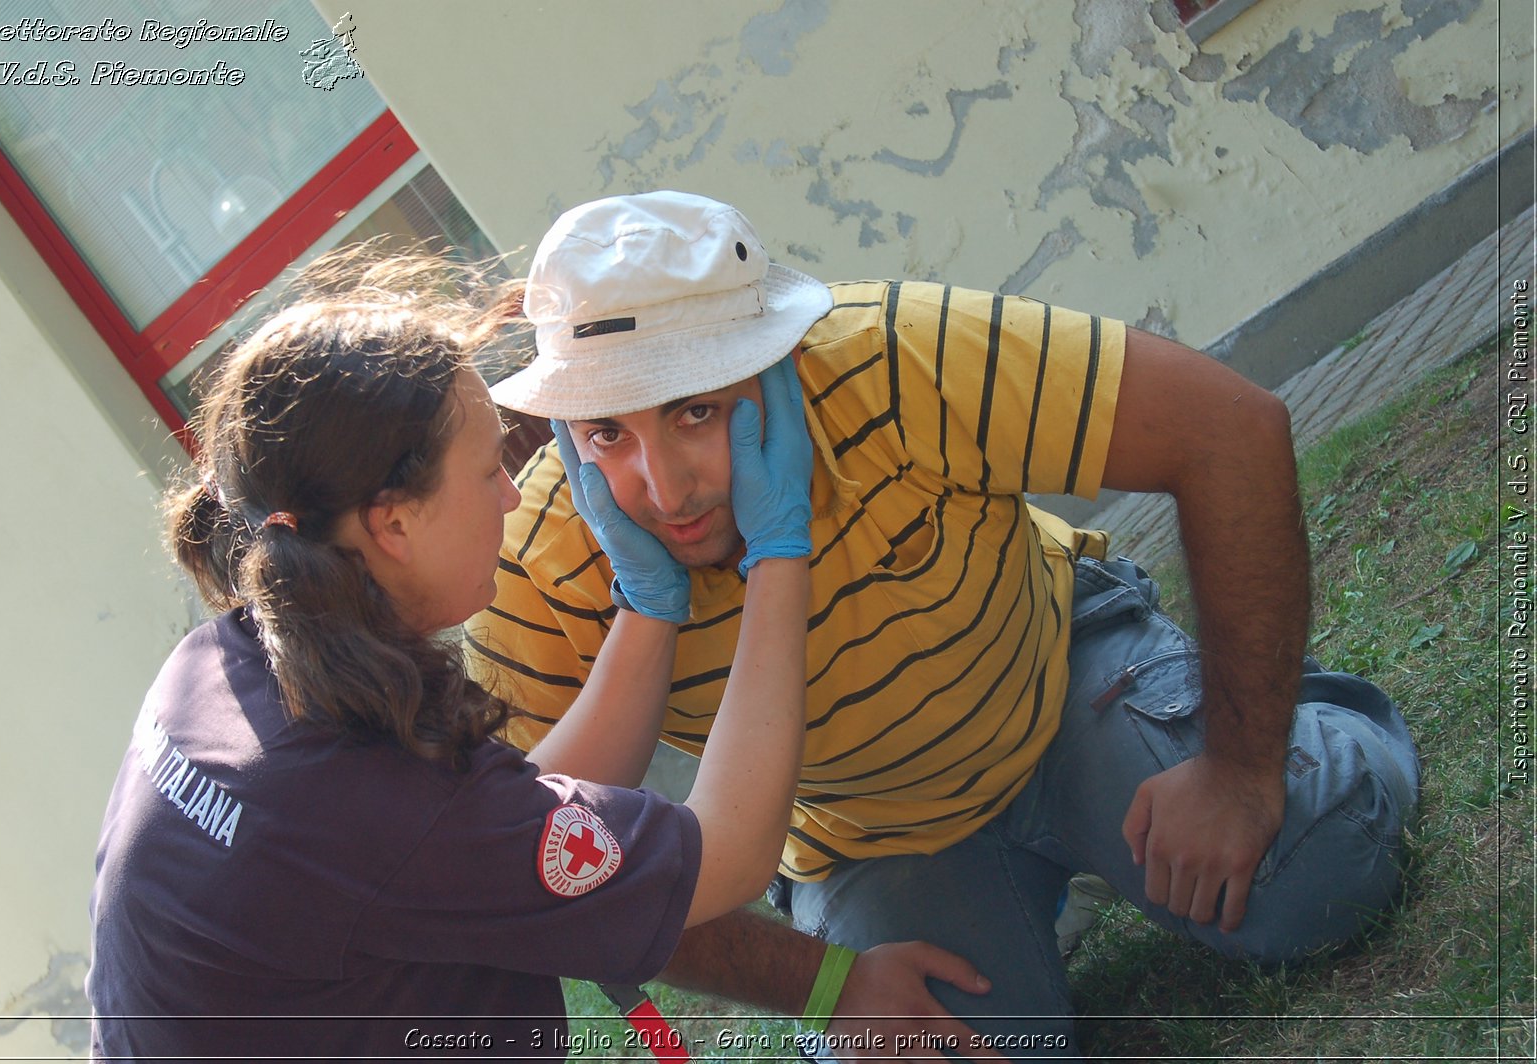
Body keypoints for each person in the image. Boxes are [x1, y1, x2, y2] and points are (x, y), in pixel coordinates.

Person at [471, 190, 1422, 1060]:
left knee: (1319, 875)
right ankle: (1036, 898)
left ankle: (1294, 737)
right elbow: (548, 866)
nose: (664, 488)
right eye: (608, 434)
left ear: (777, 359)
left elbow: (1229, 428)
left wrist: (1242, 769)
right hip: (867, 834)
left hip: (1057, 674)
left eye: (695, 410)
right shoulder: (536, 553)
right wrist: (828, 988)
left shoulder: (886, 351)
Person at [84, 246, 819, 1062]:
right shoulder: (366, 805)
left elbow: (499, 832)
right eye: (487, 471)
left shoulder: (222, 666)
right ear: (393, 524)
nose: (513, 492)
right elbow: (728, 853)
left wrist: (647, 608)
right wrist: (782, 551)